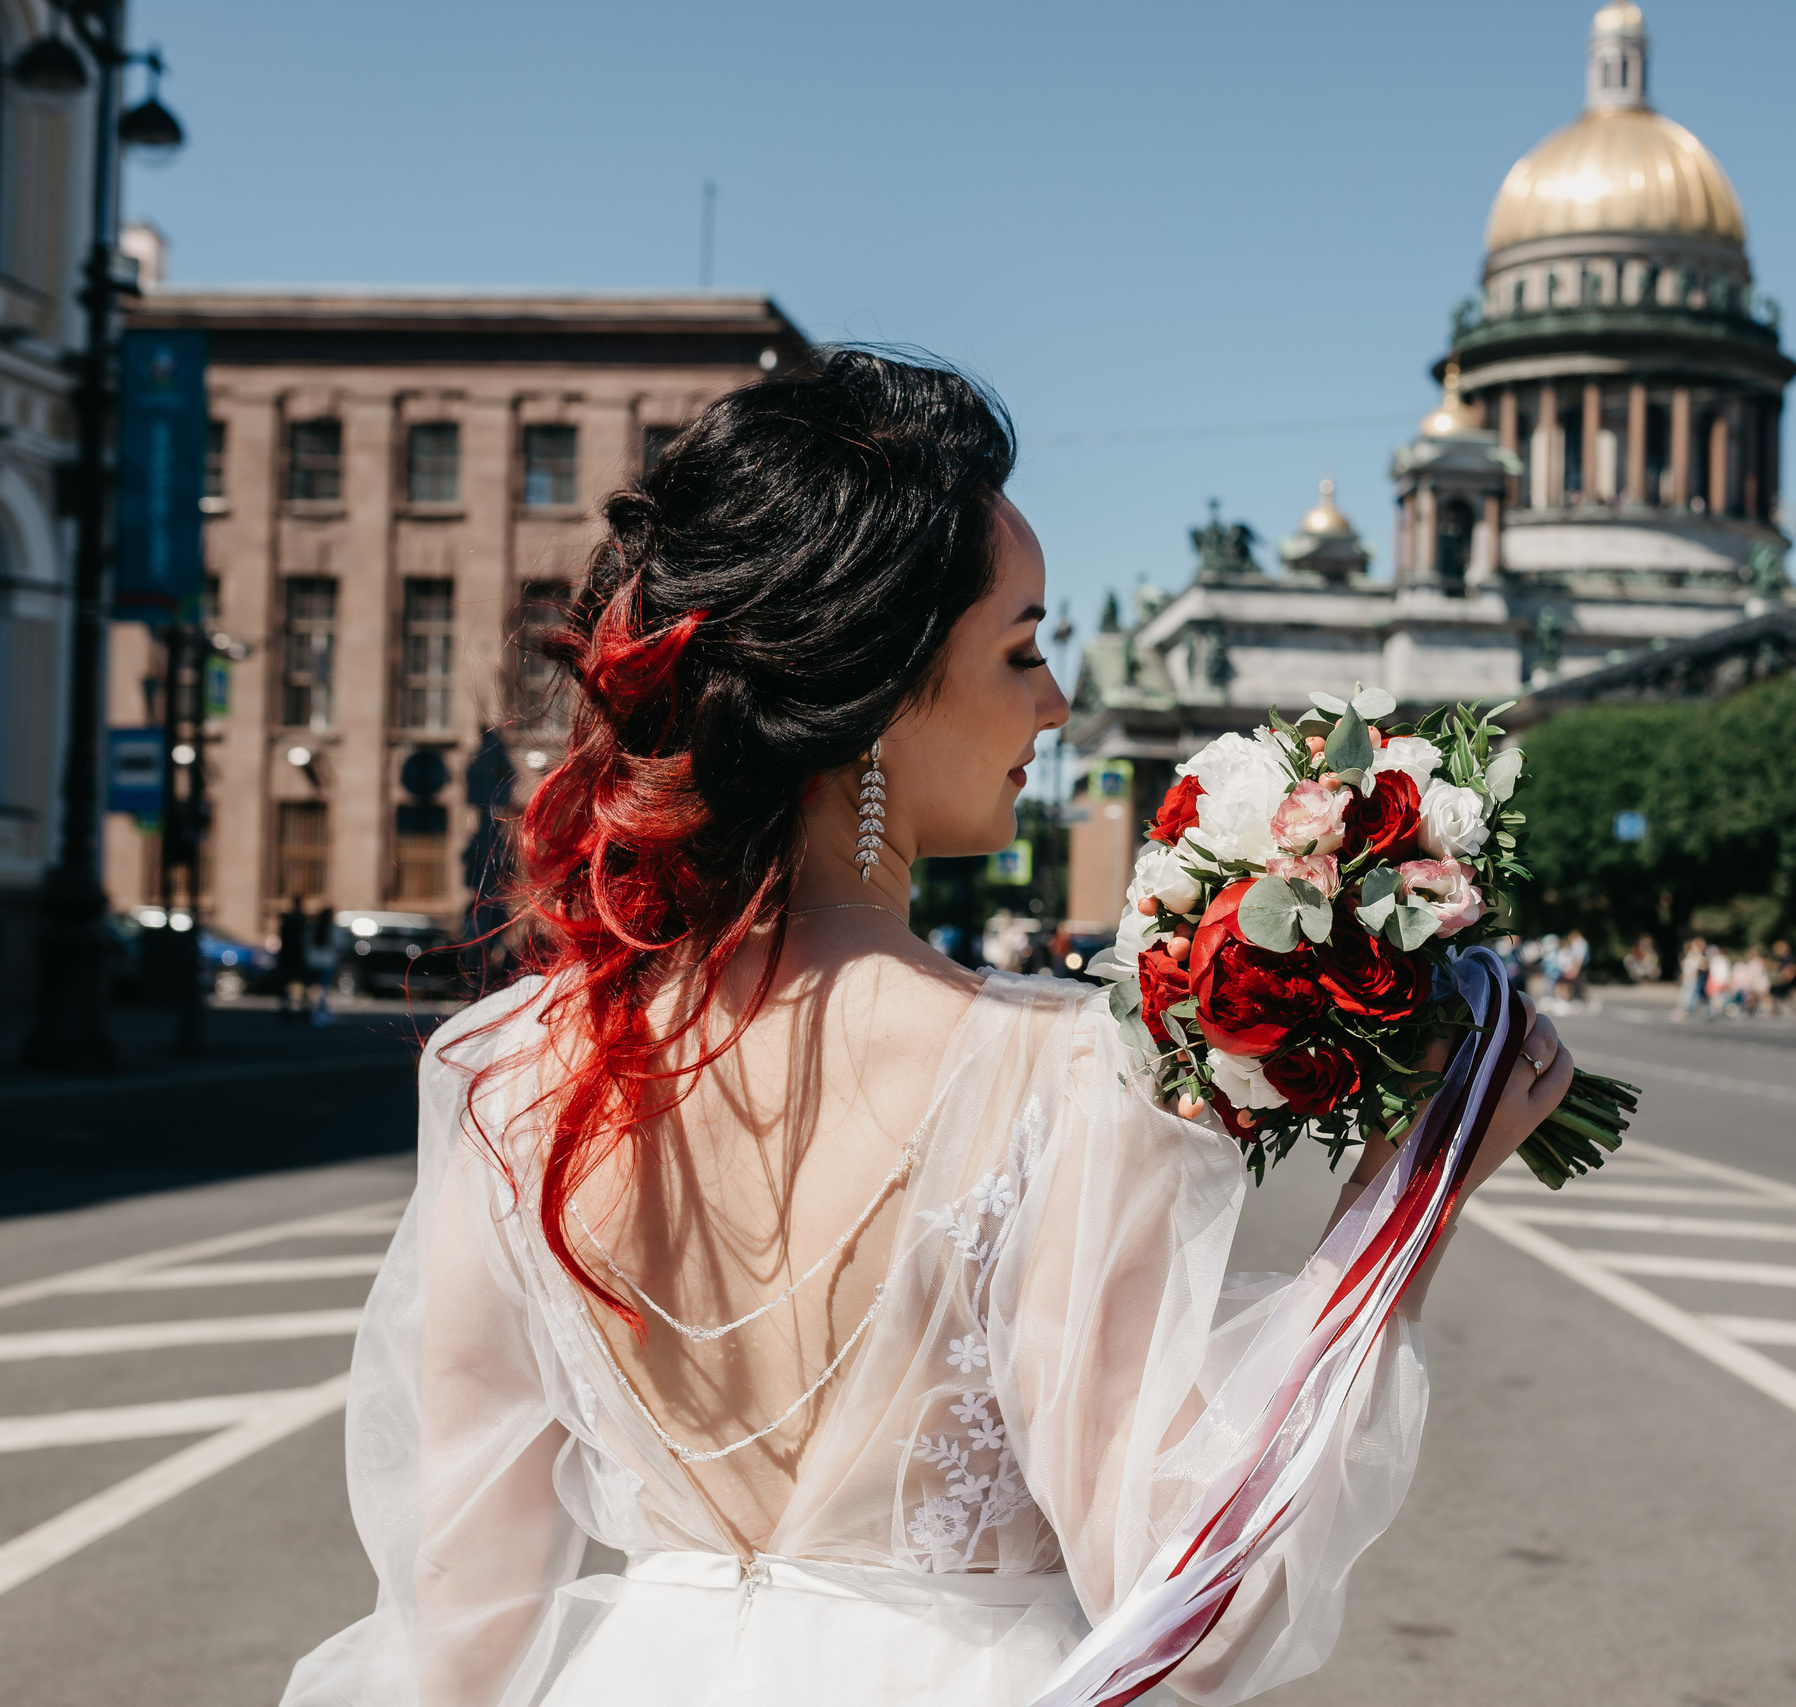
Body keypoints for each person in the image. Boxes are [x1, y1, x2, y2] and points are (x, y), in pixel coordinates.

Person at [280, 350, 1572, 1707]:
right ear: (887, 693)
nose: (1058, 703)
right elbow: (1203, 1605)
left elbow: (453, 1627)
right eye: (1021, 648)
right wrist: (1411, 1189)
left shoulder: (516, 1069)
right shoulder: (1063, 1075)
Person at [1678, 936, 1709, 1019]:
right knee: (1690, 995)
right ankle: (1706, 1011)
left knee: (1690, 995)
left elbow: (1703, 966)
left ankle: (1688, 1010)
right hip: (1689, 978)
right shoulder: (1691, 955)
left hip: (1694, 979)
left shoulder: (1699, 956)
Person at [1768, 938, 1796, 1016]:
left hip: (1785, 980)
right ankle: (1776, 1010)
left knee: (1775, 993)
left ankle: (1774, 1010)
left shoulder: (1789, 958)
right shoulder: (1782, 958)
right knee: (1782, 996)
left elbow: (1792, 968)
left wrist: (1786, 978)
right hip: (1783, 980)